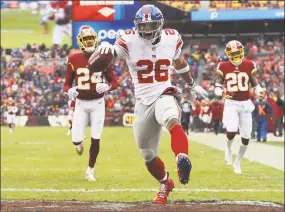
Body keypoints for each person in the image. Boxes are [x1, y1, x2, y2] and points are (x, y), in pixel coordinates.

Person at [98, 4, 208, 204]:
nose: (147, 30)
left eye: (151, 26)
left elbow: (179, 62)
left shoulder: (172, 38)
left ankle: (182, 157)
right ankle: (166, 182)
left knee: (172, 119)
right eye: (144, 26)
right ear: (137, 26)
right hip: (142, 100)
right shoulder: (128, 39)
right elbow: (112, 54)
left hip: (163, 92)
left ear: (160, 25)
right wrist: (105, 49)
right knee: (148, 155)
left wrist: (192, 84)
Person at [63, 25, 118, 181]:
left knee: (96, 138)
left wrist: (107, 87)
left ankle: (90, 170)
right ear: (80, 42)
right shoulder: (73, 59)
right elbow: (66, 83)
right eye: (85, 40)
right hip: (80, 103)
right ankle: (79, 144)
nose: (88, 43)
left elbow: (114, 81)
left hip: (98, 104)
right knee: (76, 140)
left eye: (90, 40)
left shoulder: (102, 56)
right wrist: (69, 90)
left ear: (96, 39)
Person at [214, 40, 267, 174]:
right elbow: (217, 89)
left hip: (245, 104)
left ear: (242, 51)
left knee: (246, 137)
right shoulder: (223, 66)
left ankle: (238, 162)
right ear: (228, 54)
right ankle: (228, 148)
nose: (236, 55)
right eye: (233, 53)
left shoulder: (249, 65)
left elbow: (255, 85)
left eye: (238, 52)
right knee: (231, 131)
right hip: (231, 103)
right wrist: (224, 92)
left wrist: (260, 91)